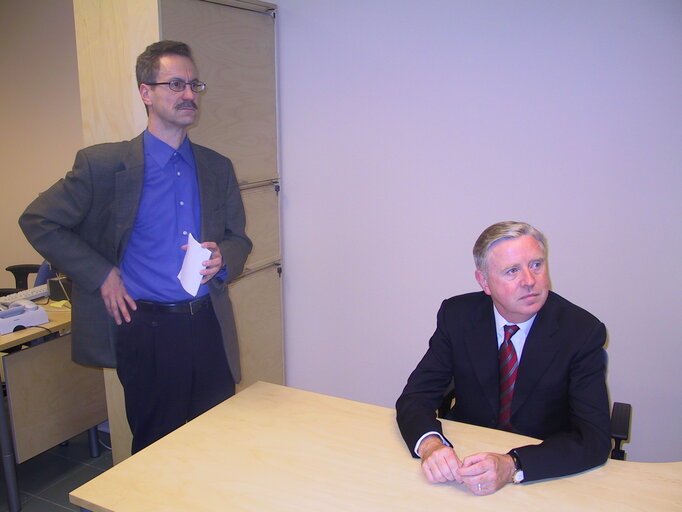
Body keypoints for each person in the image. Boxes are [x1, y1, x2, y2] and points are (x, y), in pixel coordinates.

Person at [19, 40, 252, 453]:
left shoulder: (217, 167)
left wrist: (224, 257)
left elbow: (239, 238)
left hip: (209, 326)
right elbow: (39, 220)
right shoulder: (104, 165)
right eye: (175, 84)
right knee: (158, 450)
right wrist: (101, 273)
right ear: (146, 92)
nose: (188, 95)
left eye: (194, 85)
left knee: (221, 443)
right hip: (148, 331)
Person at [396, 221, 611, 495]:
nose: (530, 281)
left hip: (545, 472)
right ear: (484, 281)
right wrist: (432, 446)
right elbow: (415, 397)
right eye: (512, 271)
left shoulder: (581, 332)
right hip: (466, 461)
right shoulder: (457, 316)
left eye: (536, 265)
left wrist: (513, 465)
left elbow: (594, 439)